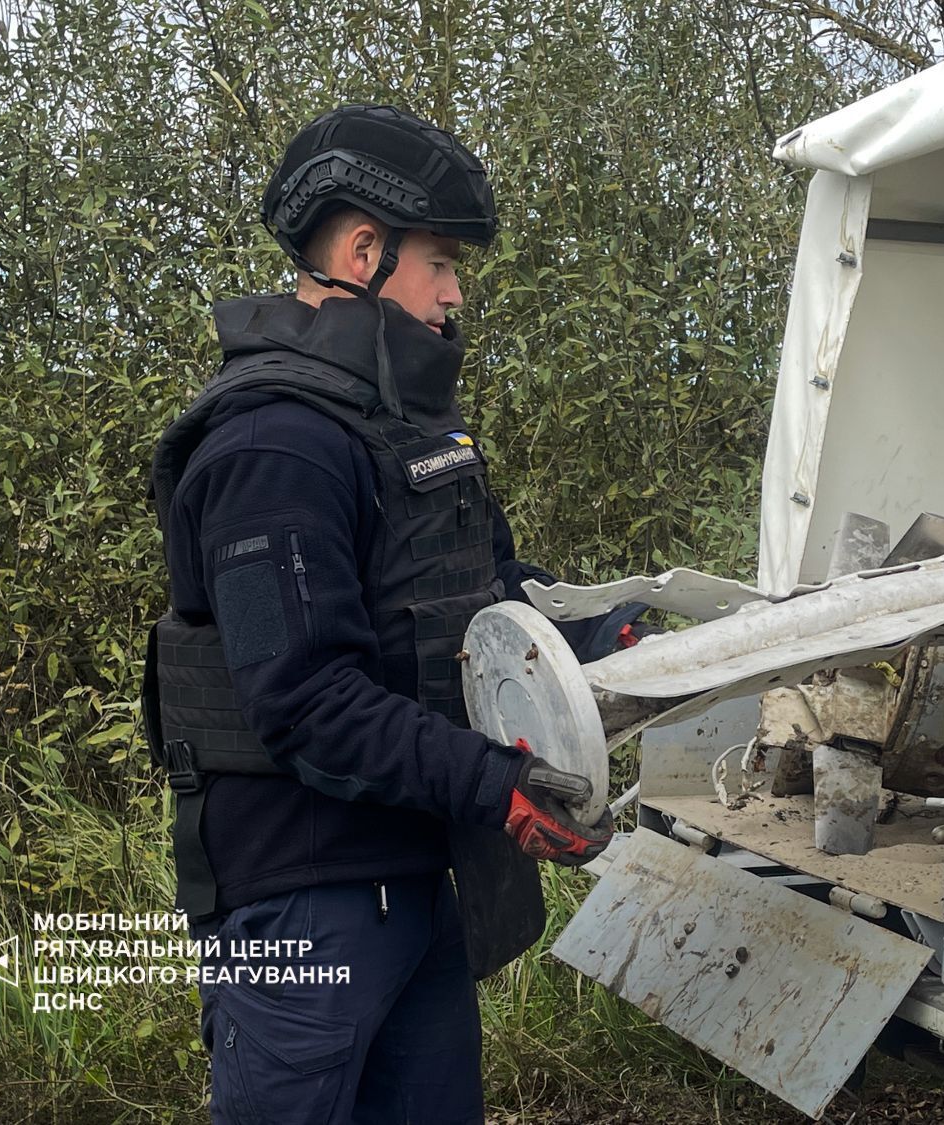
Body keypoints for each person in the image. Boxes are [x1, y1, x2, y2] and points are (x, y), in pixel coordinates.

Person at [143, 104, 619, 1124]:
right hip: (305, 907)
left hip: (417, 881)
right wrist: (501, 787)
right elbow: (306, 702)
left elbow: (483, 599)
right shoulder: (273, 448)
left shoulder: (403, 437)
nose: (454, 296)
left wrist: (604, 642)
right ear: (364, 252)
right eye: (440, 263)